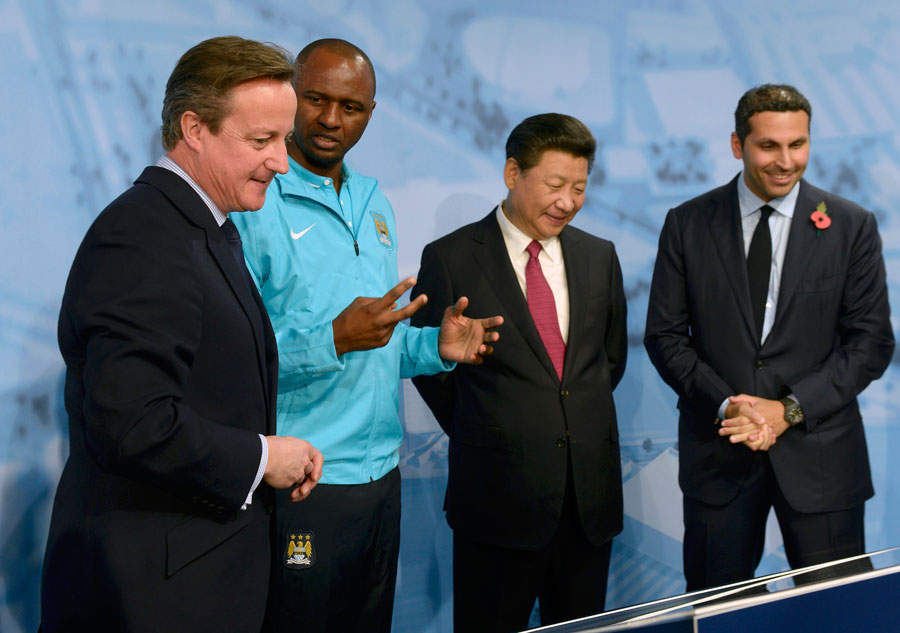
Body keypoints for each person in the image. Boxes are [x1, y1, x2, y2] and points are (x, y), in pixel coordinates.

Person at [41, 36, 324, 633]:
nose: (281, 162)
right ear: (194, 129)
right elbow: (132, 425)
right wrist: (262, 458)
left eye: (284, 138)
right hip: (152, 593)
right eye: (261, 141)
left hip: (194, 577)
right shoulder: (144, 234)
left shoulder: (197, 226)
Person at [230, 38, 501, 633]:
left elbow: (377, 340)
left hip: (381, 476)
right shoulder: (253, 200)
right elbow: (238, 358)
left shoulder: (372, 200)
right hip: (304, 478)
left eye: (350, 106)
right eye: (316, 99)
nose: (331, 119)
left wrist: (434, 347)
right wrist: (333, 338)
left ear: (370, 114)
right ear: (290, 97)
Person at [644, 84, 895, 591]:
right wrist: (728, 406)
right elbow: (665, 336)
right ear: (737, 145)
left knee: (837, 615)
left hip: (822, 461)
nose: (785, 161)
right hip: (720, 457)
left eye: (797, 144)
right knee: (719, 614)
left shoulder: (851, 226)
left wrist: (789, 410)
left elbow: (870, 343)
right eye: (768, 146)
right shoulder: (687, 224)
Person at [410, 113, 628, 632]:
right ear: (513, 173)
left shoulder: (599, 256)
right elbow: (428, 364)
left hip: (587, 503)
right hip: (497, 499)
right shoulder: (451, 258)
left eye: (579, 188)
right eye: (555, 185)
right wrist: (492, 428)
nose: (567, 202)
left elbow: (607, 362)